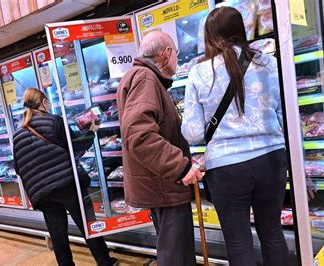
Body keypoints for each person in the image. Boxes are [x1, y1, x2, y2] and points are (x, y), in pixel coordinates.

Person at [182, 7, 288, 266]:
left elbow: (193, 133)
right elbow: (284, 116)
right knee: (272, 231)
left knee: (238, 242)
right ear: (241, 30)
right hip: (271, 157)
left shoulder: (199, 72)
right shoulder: (269, 62)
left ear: (210, 35)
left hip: (227, 167)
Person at [116, 31, 203, 266]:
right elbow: (139, 135)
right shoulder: (145, 79)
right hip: (164, 184)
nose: (177, 59)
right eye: (176, 54)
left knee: (174, 252)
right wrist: (180, 166)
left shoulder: (139, 77)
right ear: (166, 54)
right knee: (176, 256)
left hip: (159, 183)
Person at [13, 88, 117, 266]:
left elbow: (18, 168)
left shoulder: (18, 134)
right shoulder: (54, 122)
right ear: (44, 102)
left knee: (57, 233)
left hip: (42, 193)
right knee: (87, 224)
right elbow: (76, 147)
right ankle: (104, 261)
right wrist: (92, 131)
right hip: (67, 185)